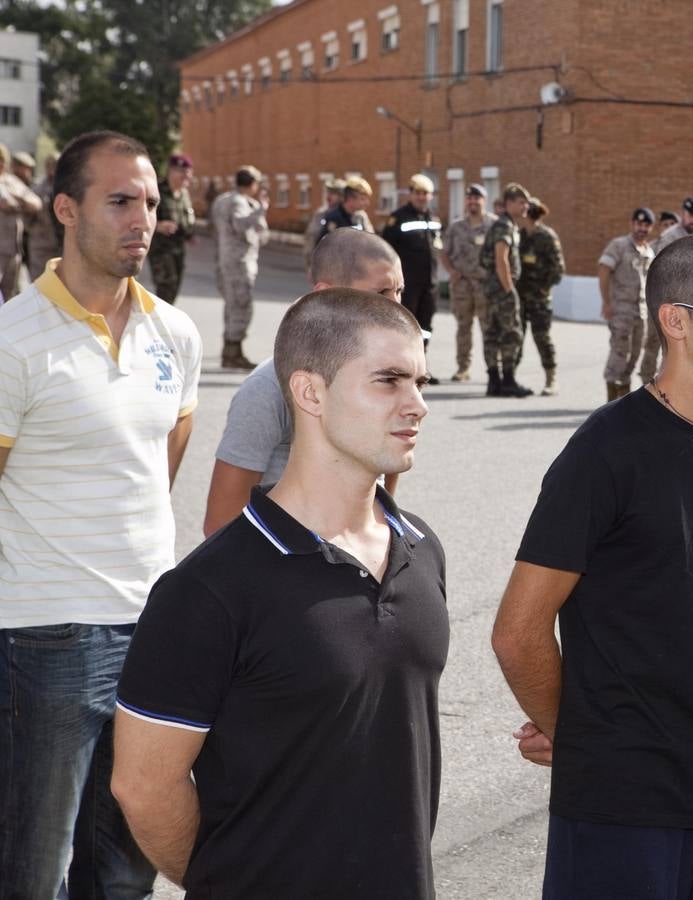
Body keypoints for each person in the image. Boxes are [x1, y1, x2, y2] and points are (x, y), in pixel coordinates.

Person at [112, 288, 447, 897]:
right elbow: (142, 786)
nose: (417, 404)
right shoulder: (206, 590)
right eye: (389, 380)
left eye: (421, 381)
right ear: (309, 392)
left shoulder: (422, 551)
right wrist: (234, 877)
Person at [492, 234, 693, 900]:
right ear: (675, 321)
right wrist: (577, 737)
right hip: (619, 802)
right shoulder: (605, 451)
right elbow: (517, 630)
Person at [0, 130, 201, 899]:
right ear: (65, 210)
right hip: (45, 637)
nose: (142, 218)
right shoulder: (15, 339)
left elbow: (160, 464)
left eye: (149, 201)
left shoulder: (174, 333)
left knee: (124, 872)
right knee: (34, 871)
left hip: (153, 629)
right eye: (119, 200)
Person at [202, 228, 406, 537]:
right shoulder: (269, 388)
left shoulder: (389, 379)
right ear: (326, 294)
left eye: (399, 292)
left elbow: (386, 478)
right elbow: (221, 522)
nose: (397, 308)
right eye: (381, 293)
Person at [382, 173, 444, 385]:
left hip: (430, 283)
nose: (422, 197)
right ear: (410, 194)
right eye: (418, 193)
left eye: (425, 193)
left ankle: (421, 367)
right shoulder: (398, 217)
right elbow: (386, 251)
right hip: (407, 285)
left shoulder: (434, 219)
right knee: (404, 327)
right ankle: (401, 369)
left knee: (425, 328)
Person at [210, 164, 269, 370]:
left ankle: (231, 351)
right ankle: (233, 352)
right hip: (239, 262)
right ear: (252, 184)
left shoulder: (222, 200)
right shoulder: (238, 202)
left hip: (225, 260)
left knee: (232, 306)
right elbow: (239, 224)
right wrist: (261, 210)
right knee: (241, 307)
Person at [645, 196, 693, 381]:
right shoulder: (672, 237)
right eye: (692, 216)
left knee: (676, 347)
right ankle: (648, 386)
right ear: (683, 214)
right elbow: (664, 272)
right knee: (656, 344)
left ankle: (668, 387)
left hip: (684, 303)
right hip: (664, 302)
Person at [598, 207, 656, 401]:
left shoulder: (649, 252)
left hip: (641, 312)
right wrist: (606, 302)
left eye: (646, 225)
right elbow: (604, 270)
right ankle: (610, 402)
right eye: (639, 224)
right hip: (621, 310)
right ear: (632, 224)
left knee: (634, 355)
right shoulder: (619, 246)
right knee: (619, 353)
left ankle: (623, 401)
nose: (642, 228)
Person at [480, 182, 533, 397]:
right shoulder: (504, 226)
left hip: (491, 288)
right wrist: (509, 289)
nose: (525, 207)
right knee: (511, 333)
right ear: (509, 203)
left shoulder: (504, 224)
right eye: (521, 202)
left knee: (492, 333)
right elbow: (501, 258)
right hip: (501, 289)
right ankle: (508, 380)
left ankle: (494, 381)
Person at [444, 183, 496, 382]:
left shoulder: (493, 225)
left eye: (477, 198)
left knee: (488, 328)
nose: (473, 202)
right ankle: (462, 368)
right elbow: (444, 251)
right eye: (470, 198)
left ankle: (493, 369)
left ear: (484, 200)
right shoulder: (456, 227)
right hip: (462, 285)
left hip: (485, 285)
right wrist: (451, 271)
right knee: (463, 327)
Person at [516, 197, 566, 395]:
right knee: (515, 337)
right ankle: (509, 377)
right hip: (520, 297)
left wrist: (544, 289)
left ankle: (550, 379)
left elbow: (559, 268)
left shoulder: (547, 236)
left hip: (539, 298)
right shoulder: (520, 235)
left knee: (541, 338)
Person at [148, 153, 196, 304]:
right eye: (182, 173)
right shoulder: (156, 191)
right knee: (165, 288)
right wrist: (158, 226)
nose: (186, 177)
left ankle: (164, 321)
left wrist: (190, 234)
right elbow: (140, 216)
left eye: (189, 174)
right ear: (171, 171)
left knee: (174, 288)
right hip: (160, 249)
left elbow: (187, 218)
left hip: (178, 249)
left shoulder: (184, 194)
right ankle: (160, 324)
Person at [0, 143, 42, 302]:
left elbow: (35, 203)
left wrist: (17, 201)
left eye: (3, 160)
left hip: (14, 251)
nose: (1, 164)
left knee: (11, 296)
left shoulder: (11, 182)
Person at [24, 155, 60, 281]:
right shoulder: (37, 188)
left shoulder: (67, 188)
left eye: (55, 166)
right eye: (49, 166)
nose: (52, 170)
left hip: (62, 246)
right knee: (39, 282)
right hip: (40, 245)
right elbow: (26, 218)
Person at [314, 177, 375, 250]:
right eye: (362, 199)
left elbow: (370, 241)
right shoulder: (334, 217)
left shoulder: (360, 217)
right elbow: (323, 248)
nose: (367, 203)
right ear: (350, 198)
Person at [303, 178, 346, 272]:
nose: (329, 196)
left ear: (342, 196)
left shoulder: (355, 216)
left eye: (333, 193)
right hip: (321, 266)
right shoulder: (321, 213)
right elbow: (310, 238)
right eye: (328, 192)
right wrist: (310, 264)